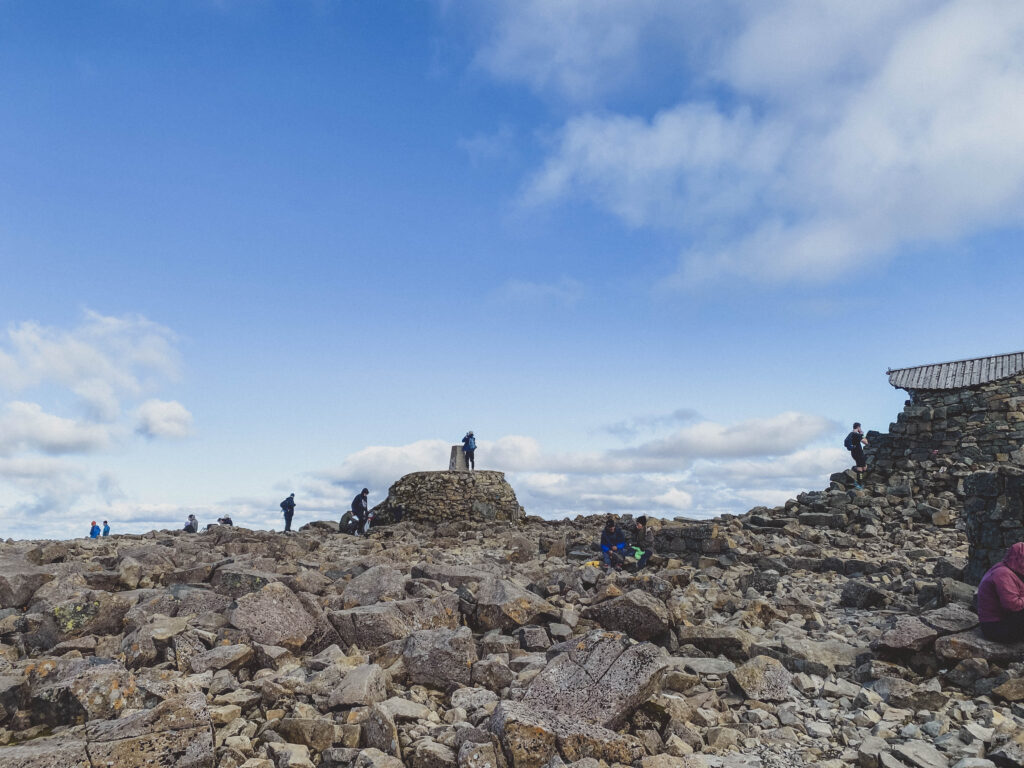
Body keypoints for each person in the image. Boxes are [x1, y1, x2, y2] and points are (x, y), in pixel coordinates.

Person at [977, 542, 1024, 643]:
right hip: (995, 626)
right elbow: (1013, 605)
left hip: (1005, 619)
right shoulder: (1002, 574)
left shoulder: (1010, 568)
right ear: (1019, 558)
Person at [844, 422, 869, 488]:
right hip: (859, 453)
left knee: (863, 467)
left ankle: (859, 481)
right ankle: (859, 484)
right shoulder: (856, 435)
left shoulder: (850, 434)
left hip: (853, 453)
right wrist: (862, 434)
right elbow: (866, 442)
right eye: (860, 427)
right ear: (858, 427)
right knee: (861, 468)